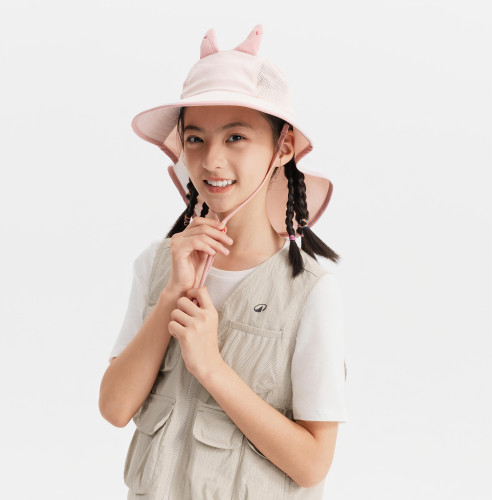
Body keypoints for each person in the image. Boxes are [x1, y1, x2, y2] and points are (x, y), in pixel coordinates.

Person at [99, 24, 348, 500]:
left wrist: (210, 366)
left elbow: (313, 463)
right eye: (195, 138)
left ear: (283, 148)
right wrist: (171, 296)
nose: (211, 160)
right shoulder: (157, 264)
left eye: (235, 137)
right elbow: (114, 408)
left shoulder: (311, 292)